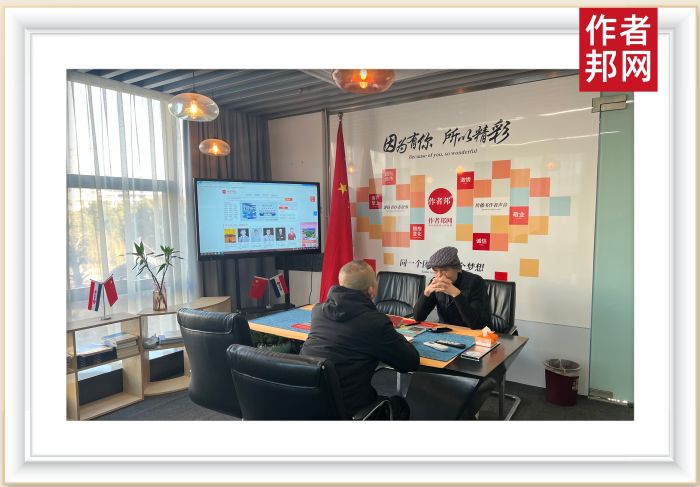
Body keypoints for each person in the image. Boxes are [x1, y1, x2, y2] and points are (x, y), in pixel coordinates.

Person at [301, 260, 419, 419]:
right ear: (371, 289)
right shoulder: (375, 322)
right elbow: (410, 362)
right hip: (349, 410)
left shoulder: (318, 311)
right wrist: (396, 336)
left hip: (309, 402)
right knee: (401, 406)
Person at [413, 246, 490, 330]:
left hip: (471, 333)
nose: (439, 275)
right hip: (445, 331)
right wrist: (426, 293)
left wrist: (456, 294)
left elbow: (477, 325)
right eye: (435, 270)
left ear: (457, 269)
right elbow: (418, 317)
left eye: (444, 270)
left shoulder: (475, 282)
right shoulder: (435, 282)